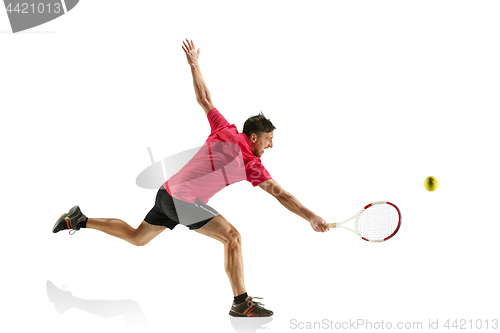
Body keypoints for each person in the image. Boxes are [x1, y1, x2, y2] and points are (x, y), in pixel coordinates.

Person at [53, 39, 329, 317]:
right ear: (254, 137)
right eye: (269, 140)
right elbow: (281, 194)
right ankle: (241, 302)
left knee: (138, 238)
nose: (270, 146)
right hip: (182, 201)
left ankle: (79, 219)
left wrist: (194, 64)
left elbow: (204, 99)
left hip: (166, 193)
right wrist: (311, 216)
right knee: (232, 238)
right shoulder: (249, 162)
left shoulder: (225, 128)